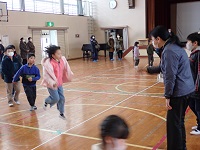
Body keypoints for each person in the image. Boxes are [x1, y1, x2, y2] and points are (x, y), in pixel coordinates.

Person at [150, 26, 195, 150]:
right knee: (178, 123)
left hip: (179, 92)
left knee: (173, 125)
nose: (152, 42)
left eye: (152, 39)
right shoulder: (174, 47)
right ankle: (181, 147)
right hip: (187, 89)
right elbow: (163, 67)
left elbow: (170, 76)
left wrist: (168, 96)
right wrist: (149, 69)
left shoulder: (169, 50)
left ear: (158, 39)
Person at [41, 45, 73, 119]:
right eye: (58, 54)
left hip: (59, 84)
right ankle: (46, 101)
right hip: (52, 85)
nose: (60, 55)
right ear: (53, 55)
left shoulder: (62, 60)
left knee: (62, 98)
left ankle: (61, 113)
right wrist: (52, 83)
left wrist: (69, 74)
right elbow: (46, 76)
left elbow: (66, 68)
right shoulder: (48, 64)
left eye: (60, 53)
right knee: (56, 98)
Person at [186, 32, 200, 135]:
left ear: (195, 43)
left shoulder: (198, 54)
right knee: (192, 105)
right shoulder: (194, 54)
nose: (187, 44)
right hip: (192, 86)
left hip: (197, 87)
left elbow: (199, 72)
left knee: (198, 108)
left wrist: (196, 87)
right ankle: (199, 123)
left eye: (188, 42)